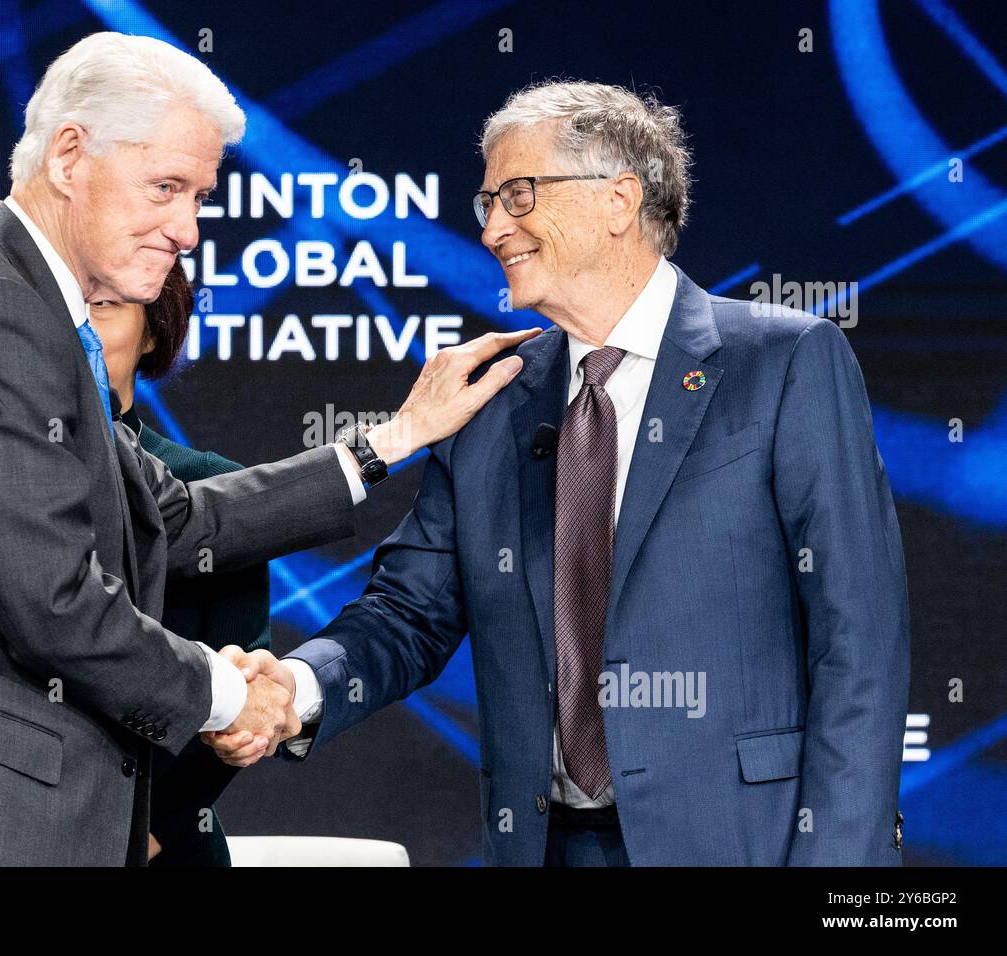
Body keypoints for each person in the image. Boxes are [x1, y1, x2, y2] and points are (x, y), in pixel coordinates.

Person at [0, 32, 535, 867]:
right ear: (69, 156)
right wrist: (232, 695)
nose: (189, 230)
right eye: (167, 188)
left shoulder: (35, 313)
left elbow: (175, 519)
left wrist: (392, 441)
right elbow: (57, 607)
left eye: (199, 197)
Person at [206, 80, 912, 867]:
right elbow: (409, 613)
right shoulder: (492, 399)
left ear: (619, 199)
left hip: (743, 843)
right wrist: (292, 690)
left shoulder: (782, 364)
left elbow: (861, 642)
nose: (493, 228)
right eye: (488, 204)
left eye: (518, 195)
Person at [90, 268, 269, 866]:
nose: (79, 331)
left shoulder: (213, 487)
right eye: (65, 307)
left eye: (104, 307)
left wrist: (149, 831)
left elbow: (239, 690)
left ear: (151, 332)